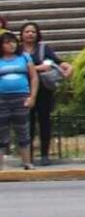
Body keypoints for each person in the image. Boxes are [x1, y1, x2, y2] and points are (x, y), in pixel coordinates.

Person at [20, 23, 64, 166]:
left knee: (45, 122)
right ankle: (28, 156)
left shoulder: (44, 48)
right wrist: (38, 68)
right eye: (27, 31)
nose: (30, 34)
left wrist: (67, 68)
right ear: (22, 34)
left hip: (44, 91)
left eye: (33, 31)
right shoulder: (18, 51)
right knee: (27, 124)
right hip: (24, 90)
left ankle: (45, 154)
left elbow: (54, 63)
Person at [0, 31, 33, 171]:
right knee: (2, 132)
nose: (11, 45)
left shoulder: (24, 57)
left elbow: (34, 78)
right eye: (7, 42)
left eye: (13, 41)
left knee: (23, 130)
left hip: (21, 97)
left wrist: (32, 97)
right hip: (2, 99)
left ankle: (27, 162)